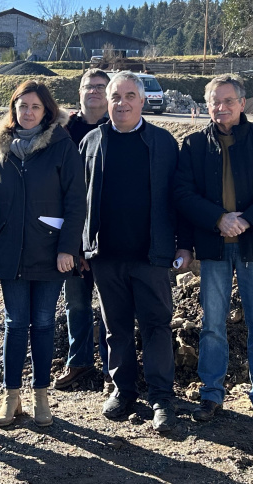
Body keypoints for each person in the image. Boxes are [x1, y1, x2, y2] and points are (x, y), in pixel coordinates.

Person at [174, 75, 253, 429]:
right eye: (215, 101)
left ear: (242, 103)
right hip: (214, 248)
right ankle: (211, 394)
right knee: (212, 325)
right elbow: (182, 193)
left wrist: (248, 220)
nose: (221, 107)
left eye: (228, 101)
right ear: (207, 104)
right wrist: (218, 219)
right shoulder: (195, 144)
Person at [80, 71, 193, 433]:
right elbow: (77, 201)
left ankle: (161, 398)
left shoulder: (163, 143)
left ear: (142, 101)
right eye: (116, 96)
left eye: (130, 96)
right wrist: (81, 245)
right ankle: (123, 389)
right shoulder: (92, 142)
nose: (122, 103)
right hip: (106, 256)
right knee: (116, 329)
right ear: (107, 101)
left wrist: (184, 244)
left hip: (152, 255)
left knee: (156, 327)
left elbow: (180, 199)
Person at [0, 80, 86, 427]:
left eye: (35, 107)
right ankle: (11, 398)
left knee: (41, 324)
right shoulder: (2, 150)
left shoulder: (61, 146)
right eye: (22, 106)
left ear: (47, 111)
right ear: (14, 109)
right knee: (14, 323)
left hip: (50, 253)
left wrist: (68, 247)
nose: (28, 112)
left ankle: (41, 396)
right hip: (10, 253)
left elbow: (75, 203)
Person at [54, 68, 111, 391]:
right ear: (79, 92)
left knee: (108, 304)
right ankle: (79, 362)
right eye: (89, 86)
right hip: (71, 234)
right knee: (75, 303)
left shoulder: (117, 128)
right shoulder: (65, 131)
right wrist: (74, 244)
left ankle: (110, 366)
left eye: (101, 86)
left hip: (105, 236)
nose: (94, 91)